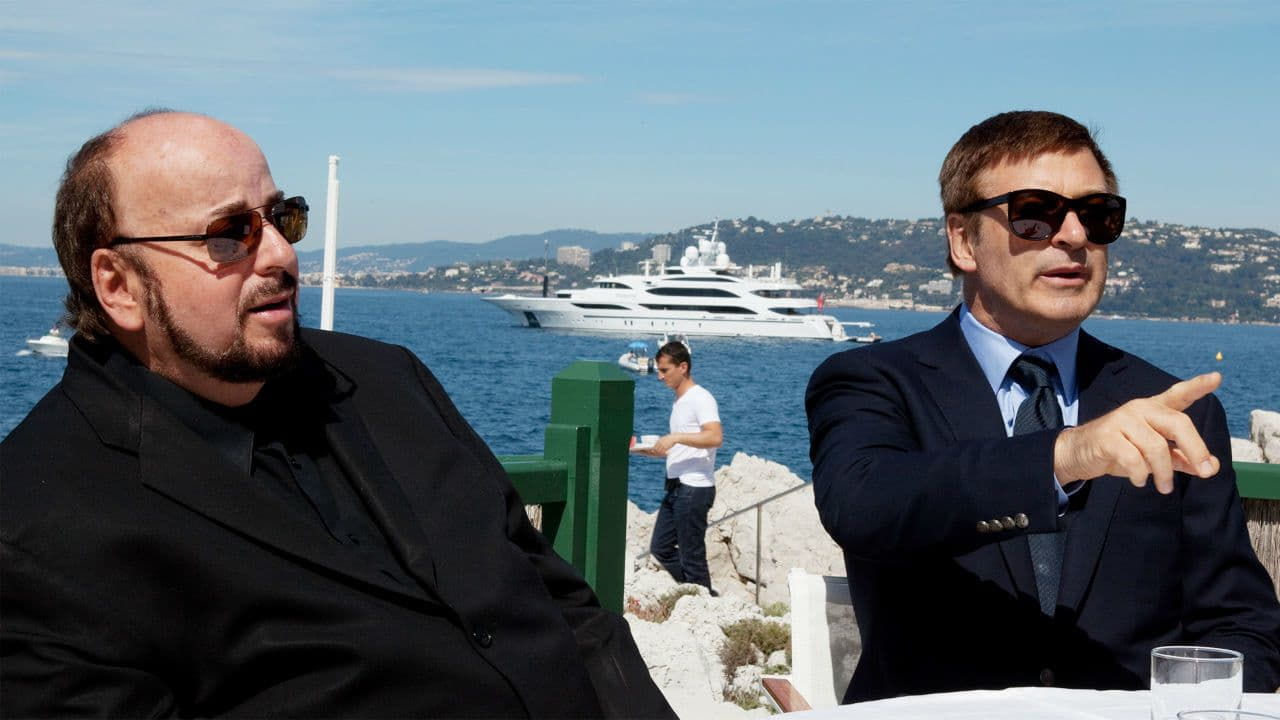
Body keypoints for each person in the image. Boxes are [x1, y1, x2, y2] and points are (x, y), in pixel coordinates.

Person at [0, 110, 675, 719]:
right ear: (119, 285)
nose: (281, 254)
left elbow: (568, 611)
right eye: (230, 233)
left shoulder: (388, 379)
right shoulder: (36, 530)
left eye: (281, 218)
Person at [806, 110, 1280, 703]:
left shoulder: (1176, 411)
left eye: (1097, 214)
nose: (1075, 236)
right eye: (1036, 213)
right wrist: (1065, 455)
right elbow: (863, 503)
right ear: (963, 241)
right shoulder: (872, 380)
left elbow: (1241, 626)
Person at [640, 340, 723, 593]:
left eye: (665, 370)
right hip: (676, 486)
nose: (660, 376)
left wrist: (675, 438)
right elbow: (687, 445)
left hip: (694, 488)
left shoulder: (701, 398)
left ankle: (703, 599)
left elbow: (714, 437)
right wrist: (653, 450)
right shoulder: (679, 401)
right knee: (660, 549)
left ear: (683, 367)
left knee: (692, 555)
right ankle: (699, 592)